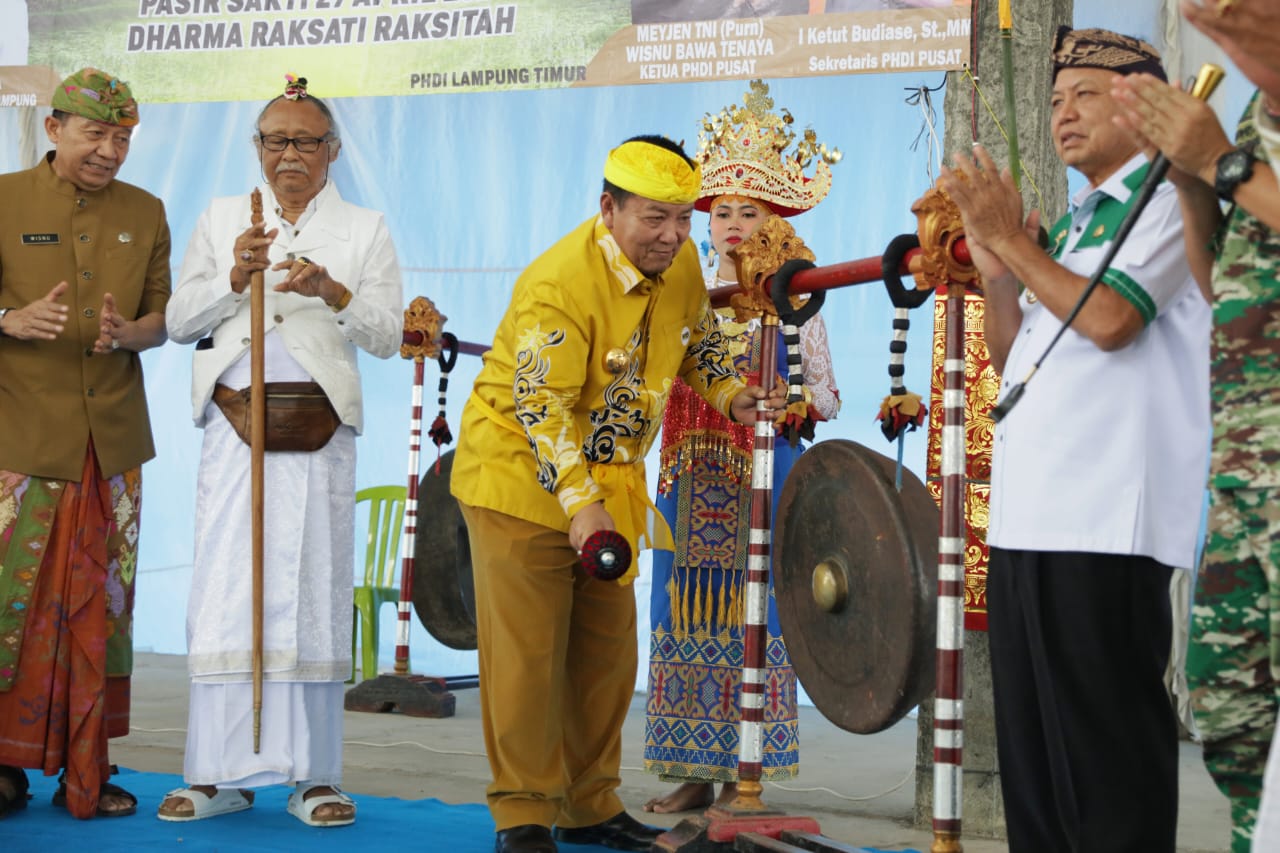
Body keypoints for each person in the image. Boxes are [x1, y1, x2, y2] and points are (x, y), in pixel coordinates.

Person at [451, 134, 785, 853]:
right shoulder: (559, 284)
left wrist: (733, 394)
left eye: (683, 219)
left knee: (605, 659)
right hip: (518, 477)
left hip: (609, 485)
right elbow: (540, 408)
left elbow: (697, 342)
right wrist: (581, 506)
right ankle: (523, 816)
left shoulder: (682, 262)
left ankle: (588, 806)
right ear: (609, 209)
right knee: (527, 660)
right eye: (653, 218)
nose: (671, 235)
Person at [939, 27, 1211, 852]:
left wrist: (1013, 243)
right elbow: (1015, 355)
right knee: (1036, 762)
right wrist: (998, 271)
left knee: (1105, 756)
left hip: (1106, 517)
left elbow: (1111, 320)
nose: (1063, 113)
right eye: (1056, 99)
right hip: (1032, 515)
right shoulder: (1073, 225)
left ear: (1145, 105)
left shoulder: (1169, 201)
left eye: (1086, 94)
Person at [160, 75, 402, 828]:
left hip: (320, 427)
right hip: (236, 423)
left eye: (304, 141)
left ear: (333, 150)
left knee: (313, 582)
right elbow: (177, 320)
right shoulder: (222, 216)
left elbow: (388, 335)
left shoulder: (364, 228)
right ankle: (215, 774)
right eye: (275, 140)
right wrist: (235, 275)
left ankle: (315, 776)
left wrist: (332, 291)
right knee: (228, 584)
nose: (289, 154)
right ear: (257, 146)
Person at [641, 80, 840, 814]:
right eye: (720, 211)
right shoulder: (681, 287)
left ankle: (742, 776)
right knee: (678, 609)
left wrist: (794, 397)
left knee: (757, 613)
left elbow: (828, 396)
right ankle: (693, 769)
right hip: (687, 473)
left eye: (747, 211)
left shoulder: (797, 294)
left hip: (763, 472)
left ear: (773, 217)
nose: (731, 224)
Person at [1111, 40, 1280, 853]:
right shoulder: (1253, 115)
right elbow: (1224, 281)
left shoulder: (1237, 142)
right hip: (1247, 469)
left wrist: (1223, 164)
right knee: (1230, 711)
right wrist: (1189, 182)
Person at [0, 67, 170, 820]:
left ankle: (90, 765)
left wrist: (130, 333)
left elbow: (161, 318)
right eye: (96, 134)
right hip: (21, 441)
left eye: (123, 138)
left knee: (103, 609)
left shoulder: (146, 210)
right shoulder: (4, 200)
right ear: (54, 128)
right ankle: (3, 762)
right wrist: (8, 320)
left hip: (114, 448)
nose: (110, 151)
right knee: (13, 606)